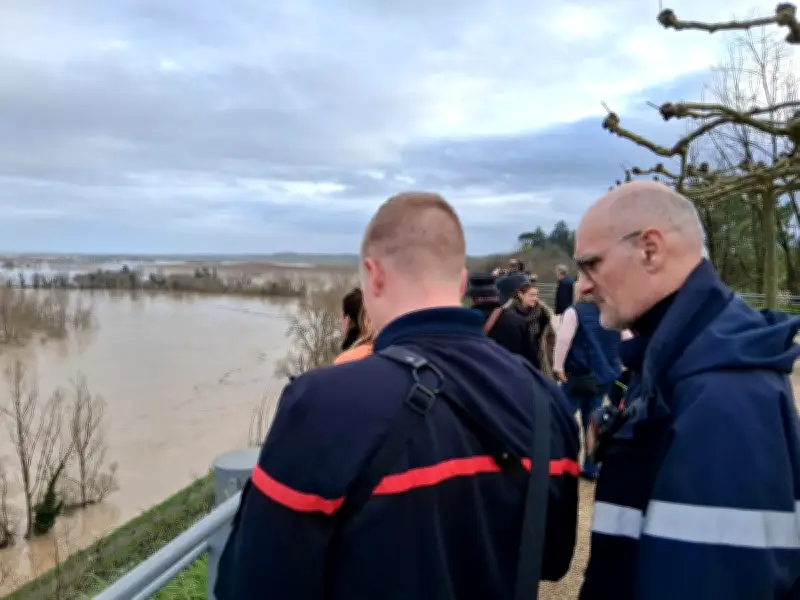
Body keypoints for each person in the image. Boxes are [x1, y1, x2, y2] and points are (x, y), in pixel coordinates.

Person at [215, 191, 580, 600]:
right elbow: (553, 558)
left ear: (373, 275)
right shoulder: (546, 401)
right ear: (460, 282)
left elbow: (251, 584)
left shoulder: (321, 405)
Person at [575, 181, 800, 600]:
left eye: (591, 264)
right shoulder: (674, 364)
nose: (581, 286)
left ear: (650, 249)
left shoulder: (722, 392)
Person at [552, 290, 621, 480]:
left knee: (560, 417)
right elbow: (626, 337)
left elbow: (564, 340)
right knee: (593, 423)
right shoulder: (614, 310)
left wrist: (558, 367)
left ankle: (560, 462)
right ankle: (591, 467)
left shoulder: (575, 312)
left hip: (578, 376)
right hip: (604, 376)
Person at [466, 274, 539, 368]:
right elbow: (531, 360)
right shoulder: (517, 321)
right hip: (511, 377)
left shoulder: (462, 323)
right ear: (497, 295)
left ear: (472, 299)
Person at [508, 283, 556, 378]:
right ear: (520, 295)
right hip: (515, 359)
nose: (535, 298)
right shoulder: (509, 314)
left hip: (537, 359)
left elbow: (551, 340)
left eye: (537, 295)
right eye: (531, 295)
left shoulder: (542, 314)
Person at [333, 294, 376, 364]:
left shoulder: (345, 360)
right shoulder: (385, 351)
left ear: (347, 319)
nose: (340, 321)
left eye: (342, 317)